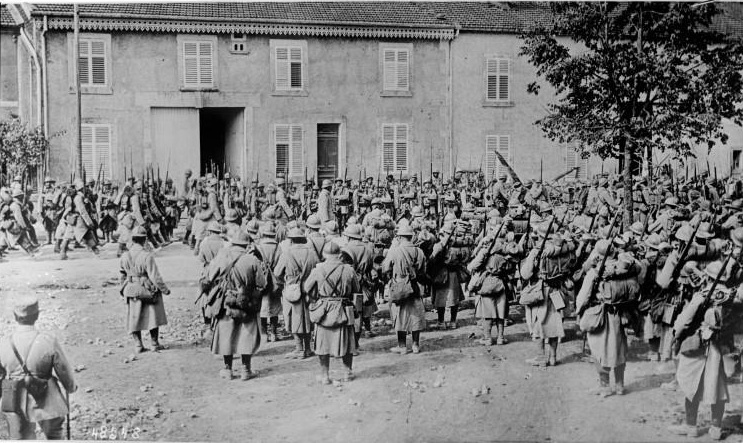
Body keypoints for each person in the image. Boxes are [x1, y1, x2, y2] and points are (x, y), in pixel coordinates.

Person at [668, 259, 743, 440]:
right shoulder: (734, 296)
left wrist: (676, 335)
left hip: (698, 345)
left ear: (708, 278)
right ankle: (716, 428)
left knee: (691, 385)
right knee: (717, 387)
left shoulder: (702, 296)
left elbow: (684, 322)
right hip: (720, 346)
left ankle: (691, 427)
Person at [0, 297, 77, 440]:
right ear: (37, 316)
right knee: (55, 436)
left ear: (15, 316)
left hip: (15, 400)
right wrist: (70, 387)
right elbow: (64, 371)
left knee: (20, 439)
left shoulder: (3, 343)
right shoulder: (48, 340)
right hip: (47, 399)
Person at [204, 231, 266, 380]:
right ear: (246, 245)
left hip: (227, 300)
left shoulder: (222, 256)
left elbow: (210, 276)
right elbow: (261, 283)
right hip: (247, 301)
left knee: (226, 333)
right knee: (247, 333)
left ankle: (228, 369)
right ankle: (246, 369)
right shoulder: (252, 259)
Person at [305, 241, 360, 384]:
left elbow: (306, 287)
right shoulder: (348, 270)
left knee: (322, 343)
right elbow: (356, 289)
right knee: (347, 342)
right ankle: (347, 372)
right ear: (340, 254)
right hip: (343, 308)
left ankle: (325, 376)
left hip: (324, 309)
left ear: (324, 254)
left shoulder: (318, 270)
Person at [119, 226, 171, 352]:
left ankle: (138, 345)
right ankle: (154, 343)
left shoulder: (125, 255)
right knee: (153, 313)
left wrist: (123, 289)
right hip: (146, 287)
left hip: (131, 287)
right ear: (144, 240)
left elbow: (122, 274)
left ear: (133, 239)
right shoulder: (147, 256)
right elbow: (155, 276)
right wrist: (164, 289)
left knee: (134, 316)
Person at [274, 227, 320, 358]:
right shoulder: (312, 252)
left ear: (291, 240)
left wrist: (287, 280)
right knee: (308, 316)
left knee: (294, 317)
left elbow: (277, 273)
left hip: (292, 289)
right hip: (310, 289)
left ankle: (299, 348)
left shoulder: (286, 253)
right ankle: (308, 348)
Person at [382, 224, 427, 354]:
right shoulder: (419, 252)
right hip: (415, 285)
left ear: (400, 236)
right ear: (411, 236)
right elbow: (423, 270)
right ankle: (415, 345)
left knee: (399, 314)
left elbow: (385, 268)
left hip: (399, 285)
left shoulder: (394, 251)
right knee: (415, 314)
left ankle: (402, 346)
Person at [253, 221, 283, 342]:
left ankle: (264, 334)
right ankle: (274, 333)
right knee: (275, 306)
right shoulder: (278, 247)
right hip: (275, 279)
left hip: (262, 280)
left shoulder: (258, 247)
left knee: (262, 307)